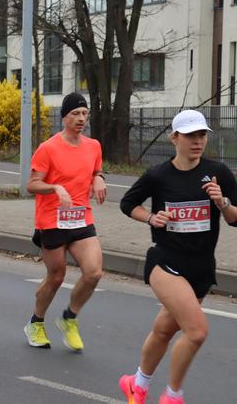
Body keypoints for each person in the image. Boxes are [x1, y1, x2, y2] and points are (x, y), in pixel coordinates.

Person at [118, 110, 237, 404]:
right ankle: (173, 396)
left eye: (202, 135)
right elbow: (127, 203)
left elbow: (235, 219)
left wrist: (222, 203)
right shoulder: (158, 175)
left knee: (163, 331)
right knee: (196, 332)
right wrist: (150, 218)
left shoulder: (218, 173)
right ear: (175, 138)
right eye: (190, 136)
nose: (198, 142)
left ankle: (137, 383)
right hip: (165, 262)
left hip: (201, 267)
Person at [23, 92, 106, 352]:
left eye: (84, 114)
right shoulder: (48, 148)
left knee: (94, 272)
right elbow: (32, 185)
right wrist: (55, 188)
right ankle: (35, 322)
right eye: (75, 114)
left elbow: (95, 169)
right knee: (56, 276)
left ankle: (69, 318)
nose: (81, 118)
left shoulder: (93, 146)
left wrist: (99, 177)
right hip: (52, 220)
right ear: (64, 118)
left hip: (81, 217)